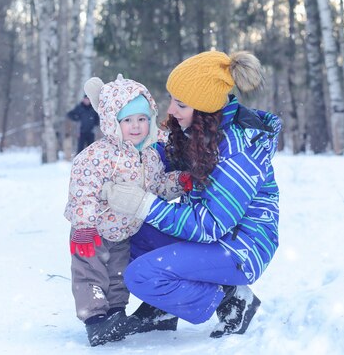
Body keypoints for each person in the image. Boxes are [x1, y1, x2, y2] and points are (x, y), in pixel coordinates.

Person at [101, 51, 281, 340]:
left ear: (205, 109)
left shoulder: (237, 152)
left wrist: (144, 204)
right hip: (217, 239)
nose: (171, 110)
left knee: (141, 276)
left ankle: (231, 299)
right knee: (131, 231)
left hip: (241, 249)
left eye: (181, 104)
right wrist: (127, 154)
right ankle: (164, 308)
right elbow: (166, 157)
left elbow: (208, 225)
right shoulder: (201, 132)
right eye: (172, 99)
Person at [63, 74, 189, 347]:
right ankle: (96, 322)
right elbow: (82, 190)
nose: (136, 127)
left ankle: (116, 314)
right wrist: (83, 226)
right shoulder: (98, 155)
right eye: (128, 120)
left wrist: (179, 181)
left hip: (123, 230)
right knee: (90, 274)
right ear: (112, 122)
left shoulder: (152, 154)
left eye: (142, 119)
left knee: (118, 275)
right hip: (92, 232)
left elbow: (155, 187)